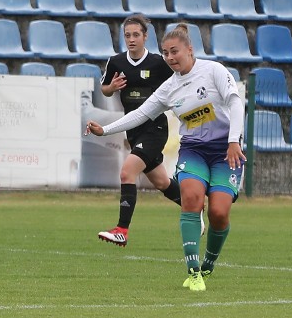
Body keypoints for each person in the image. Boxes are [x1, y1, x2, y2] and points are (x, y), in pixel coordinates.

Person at [86, 23, 245, 292]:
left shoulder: (214, 70)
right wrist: (106, 130)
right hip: (193, 149)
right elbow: (140, 114)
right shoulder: (170, 87)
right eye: (166, 53)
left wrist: (233, 140)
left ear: (189, 50)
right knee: (191, 199)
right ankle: (193, 272)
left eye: (175, 52)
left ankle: (209, 262)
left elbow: (235, 102)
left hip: (224, 150)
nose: (170, 58)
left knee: (219, 212)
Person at [96, 14, 184, 247]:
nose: (131, 39)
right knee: (162, 182)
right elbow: (105, 89)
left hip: (154, 128)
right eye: (127, 35)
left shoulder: (158, 63)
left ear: (146, 37)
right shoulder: (116, 62)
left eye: (136, 35)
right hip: (132, 130)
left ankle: (122, 230)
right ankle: (194, 207)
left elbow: (179, 83)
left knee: (127, 172)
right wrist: (111, 87)